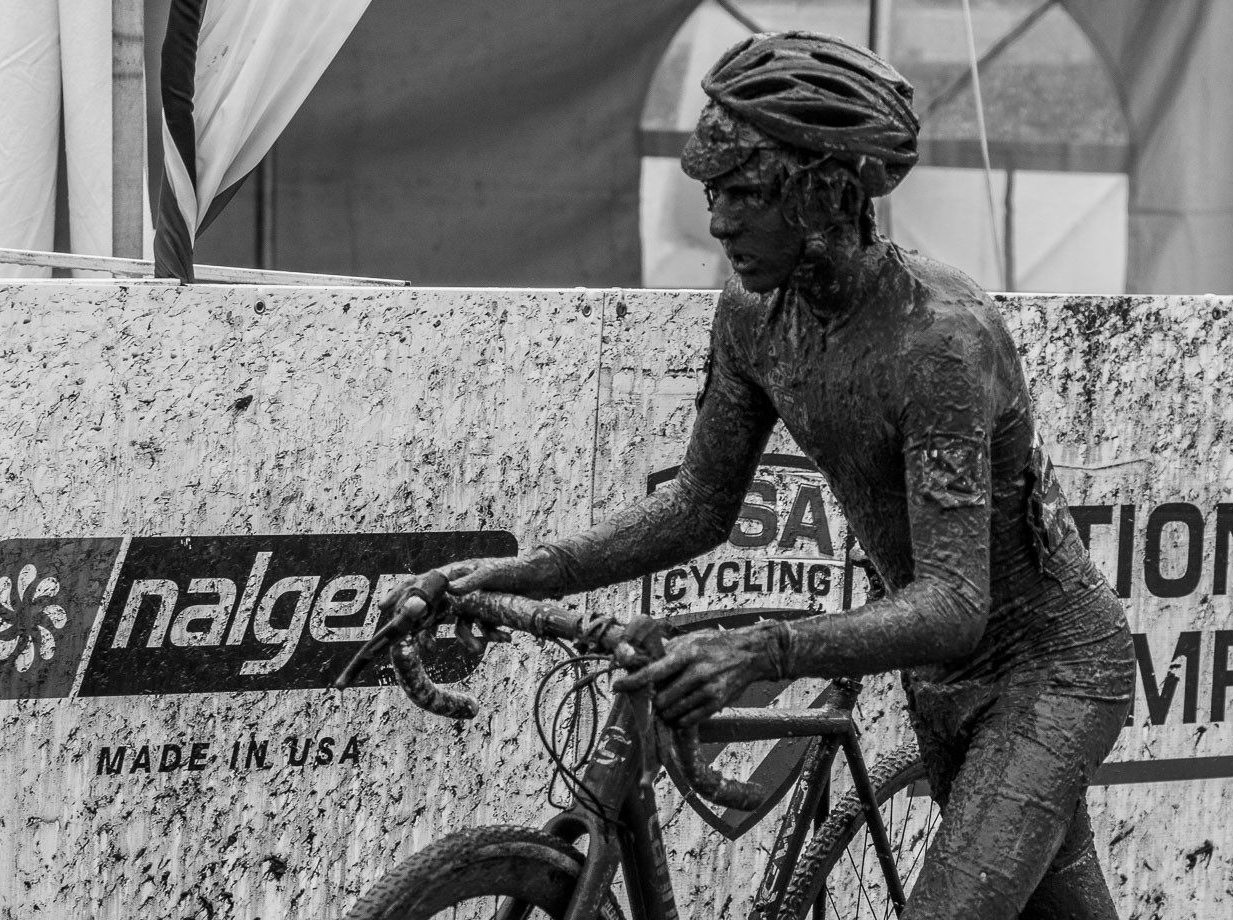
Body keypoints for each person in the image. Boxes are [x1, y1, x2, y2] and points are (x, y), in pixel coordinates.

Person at [384, 31, 1135, 920]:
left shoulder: (940, 344)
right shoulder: (752, 315)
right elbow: (700, 507)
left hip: (1050, 669)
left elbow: (955, 601)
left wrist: (761, 650)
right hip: (947, 677)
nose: (718, 222)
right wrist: (525, 571)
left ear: (823, 193)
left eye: (745, 193)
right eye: (712, 193)